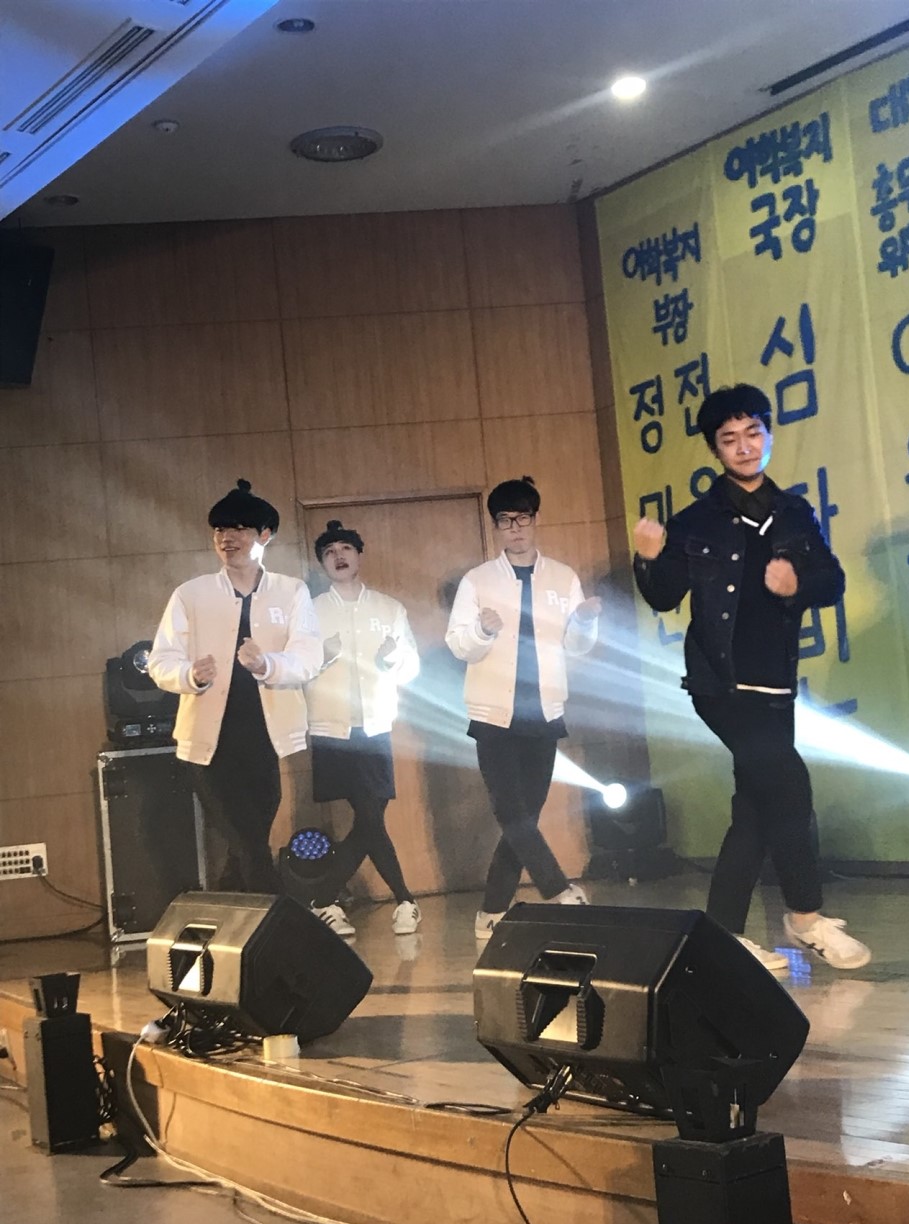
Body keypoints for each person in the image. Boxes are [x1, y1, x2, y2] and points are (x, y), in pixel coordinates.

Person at [632, 384, 870, 971]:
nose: (744, 446)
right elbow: (663, 596)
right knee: (790, 786)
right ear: (715, 449)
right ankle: (805, 917)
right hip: (721, 685)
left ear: (768, 434)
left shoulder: (794, 512)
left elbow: (832, 581)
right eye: (729, 438)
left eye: (753, 433)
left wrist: (798, 585)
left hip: (776, 685)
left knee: (755, 811)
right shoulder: (696, 521)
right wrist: (649, 557)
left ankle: (723, 935)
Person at [148, 479, 324, 894]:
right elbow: (160, 661)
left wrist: (267, 664)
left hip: (265, 736)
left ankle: (235, 920)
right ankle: (282, 919)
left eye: (240, 528)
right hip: (210, 739)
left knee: (249, 839)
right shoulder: (191, 594)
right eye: (220, 530)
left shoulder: (291, 591)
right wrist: (191, 675)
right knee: (248, 841)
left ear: (266, 535)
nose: (227, 538)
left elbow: (309, 657)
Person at [446, 476, 602, 939]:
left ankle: (491, 910)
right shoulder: (477, 581)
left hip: (544, 713)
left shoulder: (562, 577)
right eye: (505, 520)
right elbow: (458, 644)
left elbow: (577, 646)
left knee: (524, 819)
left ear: (535, 520)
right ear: (495, 527)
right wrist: (482, 630)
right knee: (511, 813)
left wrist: (585, 623)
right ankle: (557, 888)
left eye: (522, 518)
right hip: (493, 714)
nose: (514, 528)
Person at [303, 520, 422, 937]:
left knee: (370, 818)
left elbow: (411, 667)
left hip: (374, 727)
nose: (339, 556)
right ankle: (402, 900)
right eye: (330, 552)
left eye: (346, 549)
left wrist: (392, 660)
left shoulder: (389, 608)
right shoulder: (310, 611)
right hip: (331, 727)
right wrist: (323, 655)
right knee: (370, 819)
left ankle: (327, 900)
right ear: (322, 563)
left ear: (358, 555)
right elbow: (292, 667)